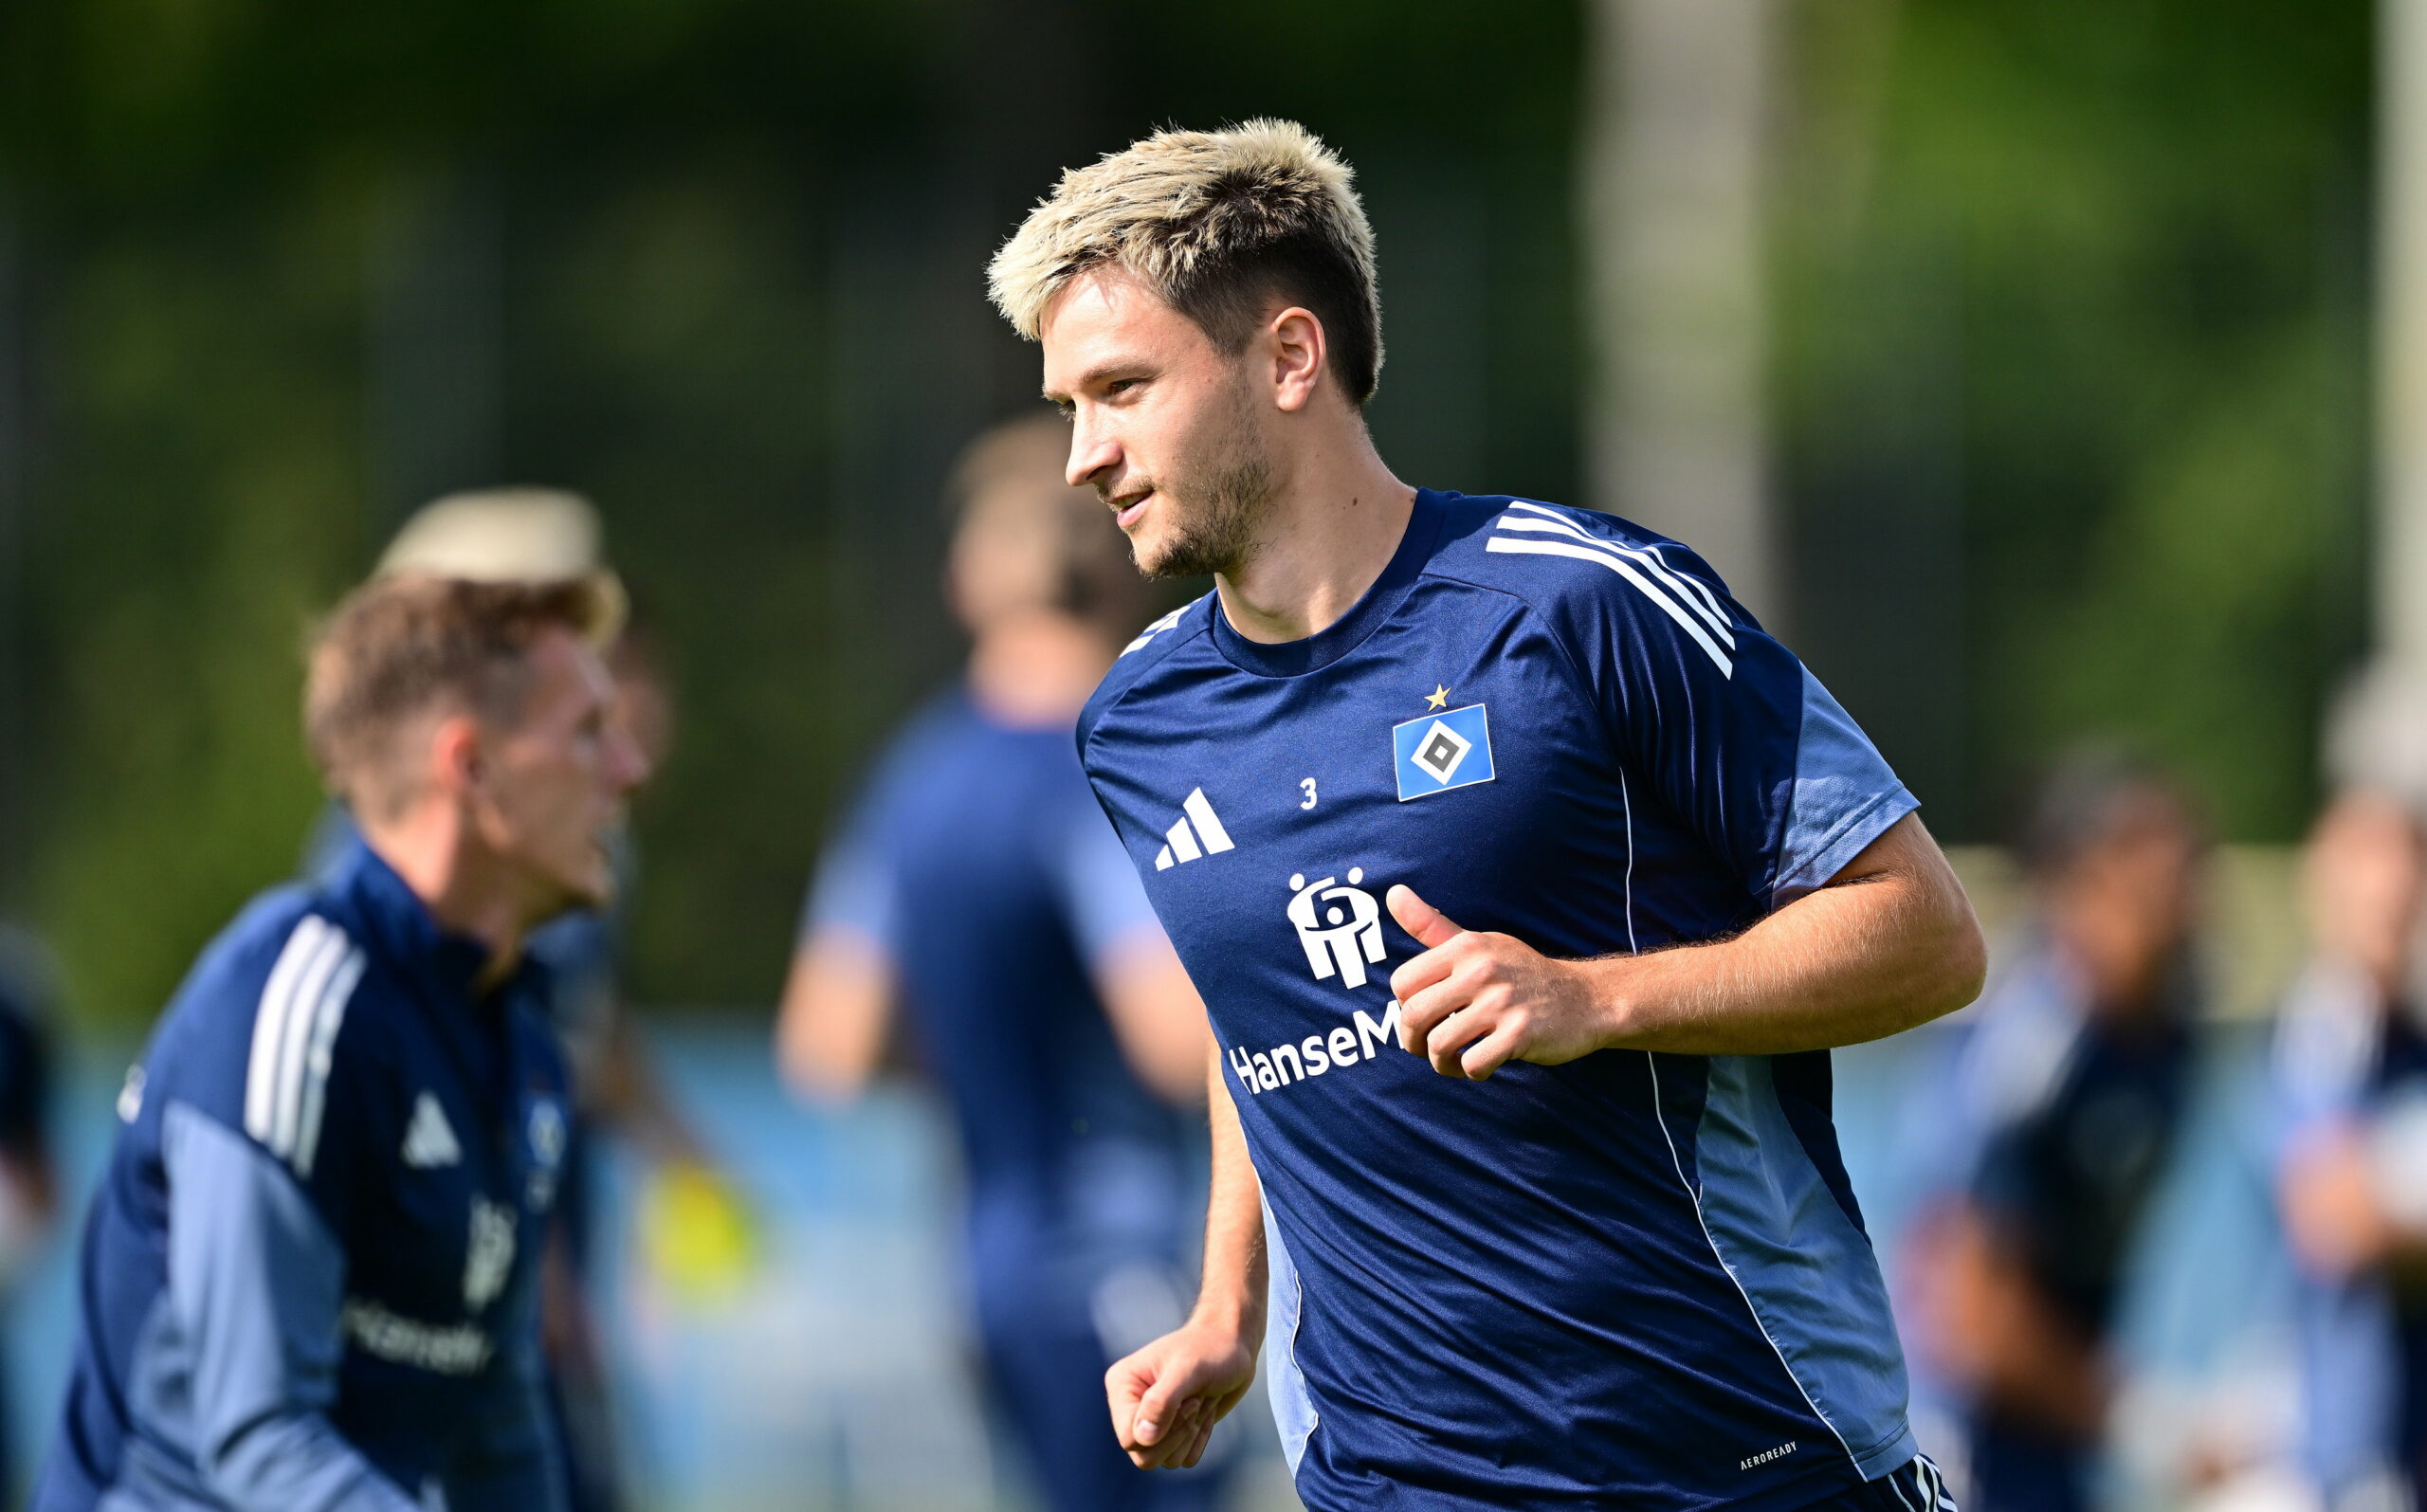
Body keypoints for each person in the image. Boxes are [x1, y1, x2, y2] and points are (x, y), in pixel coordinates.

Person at [984, 119, 1988, 1510]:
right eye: (1067, 406)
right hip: (1393, 1480)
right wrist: (1228, 1300)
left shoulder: (1579, 604)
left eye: (1121, 389)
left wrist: (1592, 996)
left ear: (1289, 357)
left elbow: (1928, 933)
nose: (1083, 455)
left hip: (1744, 1461)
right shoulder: (1138, 721)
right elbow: (1253, 1008)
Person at [35, 574, 649, 1512]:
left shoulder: (520, 1043)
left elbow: (494, 1426)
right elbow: (259, 1440)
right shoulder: (298, 1004)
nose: (629, 768)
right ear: (471, 766)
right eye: (587, 732)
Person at [776, 413, 1221, 1512]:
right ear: (1118, 571)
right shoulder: (1104, 769)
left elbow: (827, 1046)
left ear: (966, 583)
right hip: (1122, 1262)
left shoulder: (907, 782)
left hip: (982, 1264)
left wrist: (991, 1045)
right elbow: (1175, 1045)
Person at [1901, 756, 2205, 1512]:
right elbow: (1968, 1308)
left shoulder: (2167, 1034)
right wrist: (2131, 1417)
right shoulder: (2033, 1048)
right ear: (2080, 884)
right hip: (1975, 1449)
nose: (2177, 888)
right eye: (2143, 862)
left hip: (2059, 1440)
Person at [2271, 788, 2427, 1512]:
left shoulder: (2407, 1043)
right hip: (2333, 1457)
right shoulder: (2320, 1033)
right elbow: (2334, 1215)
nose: (2389, 891)